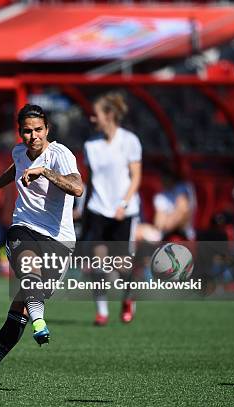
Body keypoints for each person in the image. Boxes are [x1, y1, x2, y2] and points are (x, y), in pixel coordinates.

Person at [0, 104, 83, 389]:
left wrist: (46, 172)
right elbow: (14, 168)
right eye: (27, 131)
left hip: (59, 239)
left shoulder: (60, 154)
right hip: (24, 227)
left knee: (19, 311)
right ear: (20, 133)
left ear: (47, 130)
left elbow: (77, 187)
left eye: (38, 130)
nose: (33, 136)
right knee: (24, 260)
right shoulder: (19, 152)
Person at [81, 92, 142, 326]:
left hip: (123, 212)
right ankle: (102, 311)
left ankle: (129, 297)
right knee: (97, 262)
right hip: (98, 209)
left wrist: (123, 204)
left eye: (96, 114)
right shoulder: (91, 146)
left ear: (109, 115)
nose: (92, 119)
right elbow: (89, 181)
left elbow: (136, 177)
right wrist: (81, 208)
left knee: (120, 264)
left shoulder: (129, 141)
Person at [136, 165, 196, 243]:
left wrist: (169, 222)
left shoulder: (183, 188)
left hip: (183, 235)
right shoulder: (161, 196)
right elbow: (159, 223)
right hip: (164, 235)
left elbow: (182, 213)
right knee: (137, 232)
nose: (164, 179)